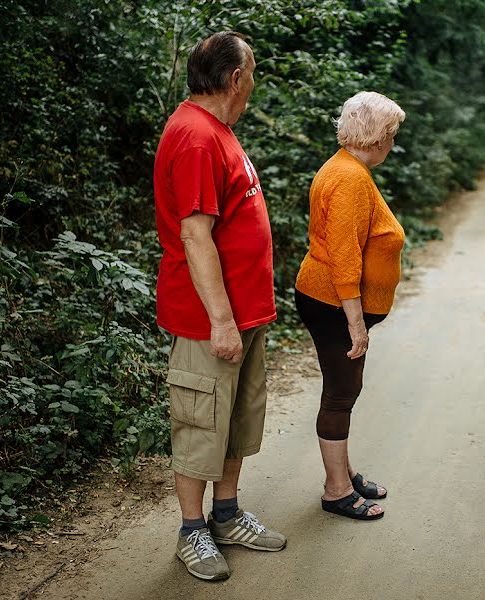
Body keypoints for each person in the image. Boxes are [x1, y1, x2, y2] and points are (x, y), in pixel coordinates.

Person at [153, 31, 286, 582]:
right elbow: (195, 237)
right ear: (236, 78)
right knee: (200, 424)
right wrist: (222, 322)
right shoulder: (195, 138)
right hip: (212, 321)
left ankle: (226, 516)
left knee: (233, 421)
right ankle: (192, 531)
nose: (253, 82)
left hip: (244, 314)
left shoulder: (219, 131)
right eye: (252, 72)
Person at [294, 91, 406, 521]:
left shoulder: (346, 167)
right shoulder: (350, 178)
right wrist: (356, 324)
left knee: (345, 390)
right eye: (391, 135)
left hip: (331, 300)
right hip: (332, 303)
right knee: (341, 393)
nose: (392, 143)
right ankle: (336, 490)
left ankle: (344, 471)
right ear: (378, 137)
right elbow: (344, 256)